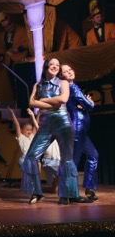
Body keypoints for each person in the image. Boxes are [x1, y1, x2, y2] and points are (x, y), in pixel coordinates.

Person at [20, 58, 91, 205]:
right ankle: (37, 192)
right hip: (45, 125)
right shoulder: (38, 85)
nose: (55, 66)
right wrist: (52, 102)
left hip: (63, 123)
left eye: (57, 65)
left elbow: (63, 99)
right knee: (31, 156)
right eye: (52, 64)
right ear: (46, 67)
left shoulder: (63, 83)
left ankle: (69, 194)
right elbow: (31, 102)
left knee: (66, 159)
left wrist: (42, 101)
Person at [60, 63, 99, 201]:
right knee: (73, 162)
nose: (70, 72)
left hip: (82, 131)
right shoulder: (72, 87)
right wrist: (90, 103)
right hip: (77, 130)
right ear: (61, 76)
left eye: (70, 69)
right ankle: (67, 194)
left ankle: (89, 187)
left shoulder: (71, 88)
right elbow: (89, 105)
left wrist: (84, 105)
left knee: (93, 155)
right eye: (65, 71)